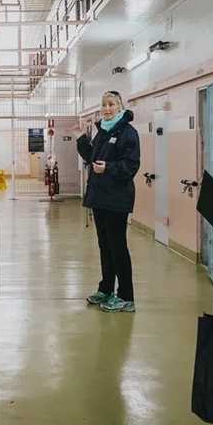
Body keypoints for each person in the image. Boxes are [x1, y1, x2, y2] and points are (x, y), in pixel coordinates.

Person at [77, 90, 141, 313]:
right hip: (100, 197)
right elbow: (93, 157)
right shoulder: (103, 132)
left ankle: (126, 296)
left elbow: (131, 165)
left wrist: (109, 168)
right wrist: (80, 139)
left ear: (120, 107)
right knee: (105, 246)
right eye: (104, 104)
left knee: (118, 247)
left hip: (116, 199)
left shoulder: (128, 133)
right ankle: (106, 289)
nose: (106, 108)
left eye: (111, 104)